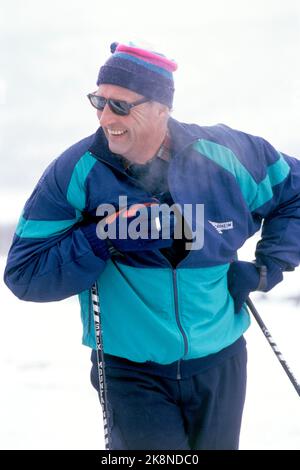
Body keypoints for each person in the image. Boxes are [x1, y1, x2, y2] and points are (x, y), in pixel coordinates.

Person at [4, 41, 300, 451]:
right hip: (129, 371)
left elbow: (295, 194)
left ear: (162, 108)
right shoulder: (78, 171)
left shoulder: (226, 156)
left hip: (221, 361)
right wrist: (100, 239)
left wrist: (268, 266)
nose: (105, 118)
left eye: (120, 106)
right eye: (98, 101)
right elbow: (25, 274)